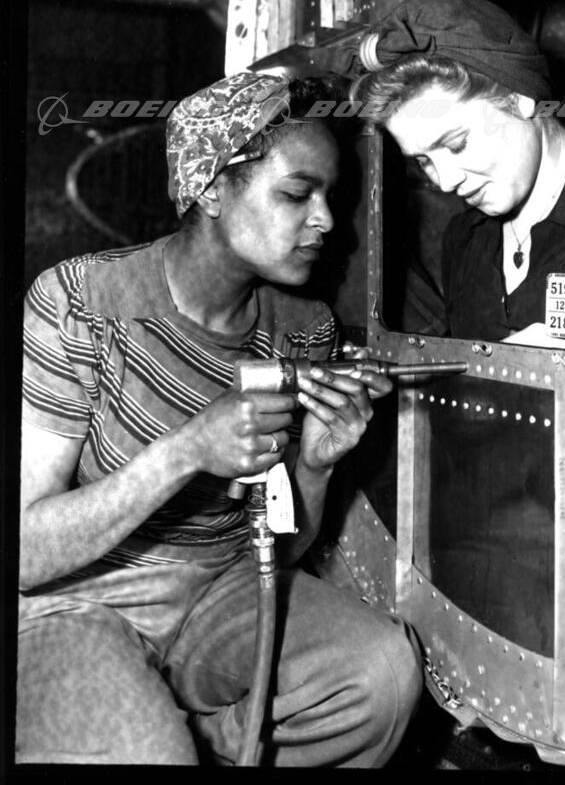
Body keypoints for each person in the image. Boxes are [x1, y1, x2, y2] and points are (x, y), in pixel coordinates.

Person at [17, 71, 422, 766]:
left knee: (379, 675)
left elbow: (278, 552)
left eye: (330, 197)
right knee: (148, 755)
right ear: (209, 187)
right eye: (297, 194)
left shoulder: (302, 327)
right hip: (78, 600)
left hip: (217, 591)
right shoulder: (81, 302)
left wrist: (315, 465)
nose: (327, 221)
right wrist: (184, 452)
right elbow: (26, 554)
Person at [348, 0, 565, 351]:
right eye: (423, 161)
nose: (446, 182)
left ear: (520, 98)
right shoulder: (463, 240)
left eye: (457, 144)